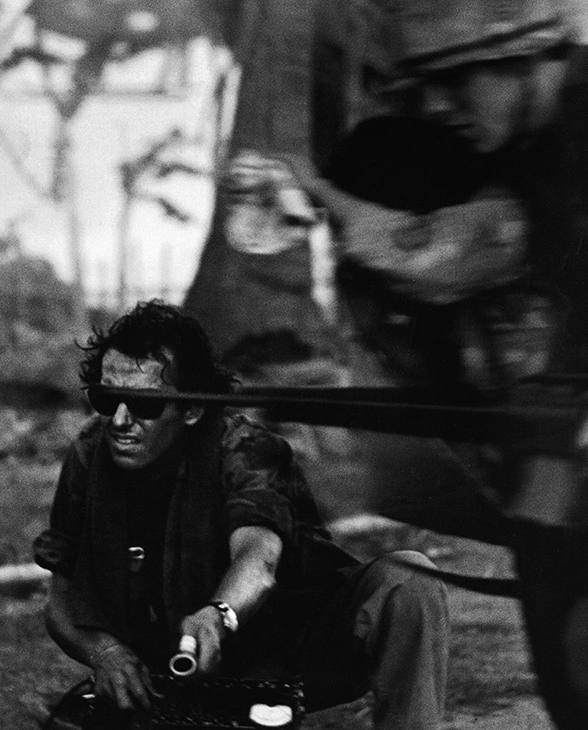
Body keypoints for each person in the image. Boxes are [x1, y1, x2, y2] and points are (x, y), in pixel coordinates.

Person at [309, 1, 588, 726]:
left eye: (458, 79)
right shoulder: (522, 150)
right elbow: (450, 252)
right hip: (556, 466)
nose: (439, 106)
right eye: (427, 84)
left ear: (529, 52)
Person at [34, 300, 449, 730]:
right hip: (175, 671)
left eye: (145, 404)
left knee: (408, 582)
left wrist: (219, 615)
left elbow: (259, 557)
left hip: (291, 650)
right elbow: (60, 601)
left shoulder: (247, 450)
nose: (121, 420)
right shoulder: (89, 454)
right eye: (106, 399)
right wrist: (105, 653)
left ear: (192, 409)